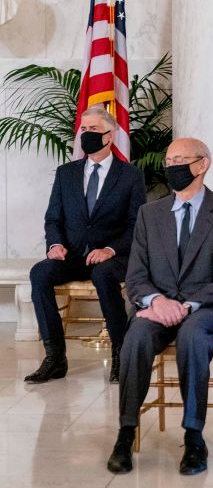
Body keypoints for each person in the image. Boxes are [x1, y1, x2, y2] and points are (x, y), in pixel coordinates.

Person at [106, 138, 213, 476]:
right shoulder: (149, 214)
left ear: (202, 165)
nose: (172, 167)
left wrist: (185, 306)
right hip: (159, 307)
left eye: (181, 159)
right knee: (136, 336)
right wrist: (156, 301)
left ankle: (194, 436)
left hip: (211, 306)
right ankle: (126, 433)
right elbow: (136, 275)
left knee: (194, 336)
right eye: (169, 160)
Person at [27, 106, 146, 384]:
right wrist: (54, 244)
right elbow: (53, 217)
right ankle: (55, 357)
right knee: (39, 273)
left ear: (110, 134)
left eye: (93, 129)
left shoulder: (130, 176)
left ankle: (121, 354)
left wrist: (110, 250)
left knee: (103, 275)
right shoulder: (66, 173)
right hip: (72, 254)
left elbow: (136, 225)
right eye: (84, 129)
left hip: (113, 256)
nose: (87, 134)